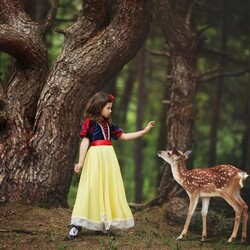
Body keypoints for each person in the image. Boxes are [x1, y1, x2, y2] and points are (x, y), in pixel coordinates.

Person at [66, 91, 155, 240]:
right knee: (91, 187)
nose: (110, 110)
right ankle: (77, 224)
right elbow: (85, 141)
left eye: (110, 108)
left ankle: (102, 224)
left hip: (109, 158)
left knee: (107, 188)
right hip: (95, 157)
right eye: (108, 108)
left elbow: (124, 136)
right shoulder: (90, 122)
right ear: (99, 106)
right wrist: (80, 162)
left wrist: (145, 131)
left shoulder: (110, 125)